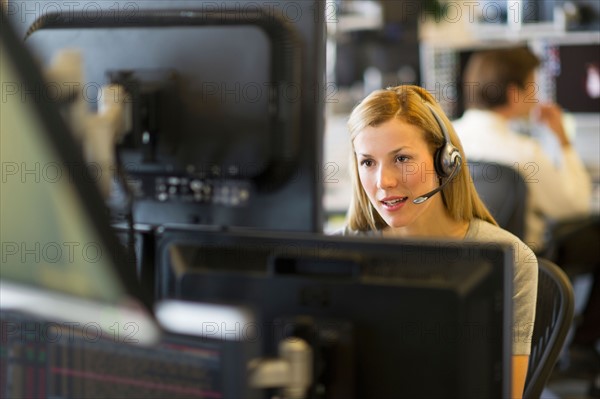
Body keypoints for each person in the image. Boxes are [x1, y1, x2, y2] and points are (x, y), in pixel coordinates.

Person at [339, 85, 538, 398]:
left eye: (402, 158)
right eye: (368, 162)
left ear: (446, 161)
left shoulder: (510, 259)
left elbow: (505, 393)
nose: (383, 182)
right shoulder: (339, 254)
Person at [452, 46, 592, 252]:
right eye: (532, 86)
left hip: (469, 270)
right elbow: (577, 205)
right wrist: (563, 139)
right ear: (514, 93)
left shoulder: (445, 138)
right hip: (524, 268)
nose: (536, 96)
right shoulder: (525, 153)